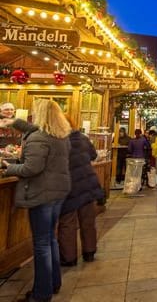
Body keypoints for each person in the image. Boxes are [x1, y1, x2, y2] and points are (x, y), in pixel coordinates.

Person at [0, 100, 71, 302]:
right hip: (58, 193)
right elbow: (33, 130)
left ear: (39, 116)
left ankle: (41, 293)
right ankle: (54, 283)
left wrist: (9, 167)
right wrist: (13, 122)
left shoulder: (39, 138)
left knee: (41, 244)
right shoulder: (60, 135)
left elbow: (32, 168)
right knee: (50, 239)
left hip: (41, 193)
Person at [57, 117, 104, 266]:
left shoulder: (58, 140)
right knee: (87, 220)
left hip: (69, 185)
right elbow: (94, 155)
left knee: (67, 222)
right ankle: (89, 252)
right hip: (87, 183)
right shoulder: (82, 138)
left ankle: (69, 257)